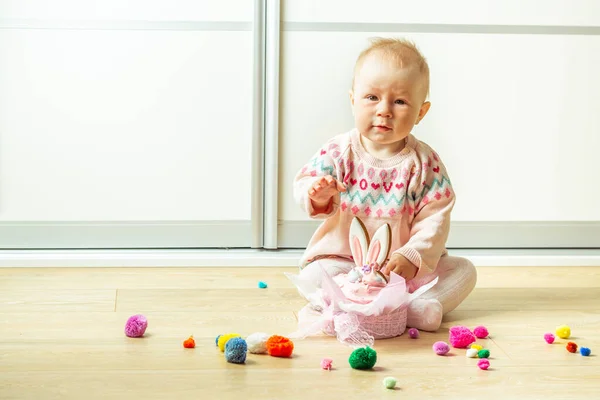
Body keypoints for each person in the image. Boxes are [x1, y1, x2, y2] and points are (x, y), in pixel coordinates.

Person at [292, 37, 477, 332]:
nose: (384, 110)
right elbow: (305, 183)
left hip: (400, 271)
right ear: (353, 100)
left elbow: (435, 218)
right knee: (316, 274)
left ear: (420, 112)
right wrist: (317, 193)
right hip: (345, 264)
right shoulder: (338, 151)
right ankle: (348, 303)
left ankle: (409, 306)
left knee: (464, 272)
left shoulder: (424, 163)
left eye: (400, 101)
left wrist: (412, 256)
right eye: (372, 98)